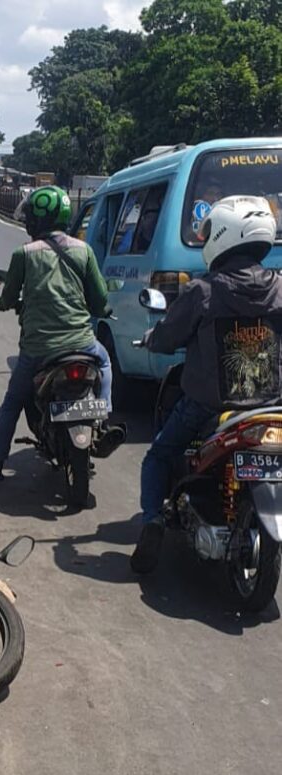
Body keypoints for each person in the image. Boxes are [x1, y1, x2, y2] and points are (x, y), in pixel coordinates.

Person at [132, 195, 282, 573]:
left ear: (224, 236)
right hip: (270, 405)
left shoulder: (205, 291)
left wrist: (153, 337)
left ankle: (151, 519)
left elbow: (167, 338)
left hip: (209, 406)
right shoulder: (279, 287)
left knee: (158, 456)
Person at [0, 186, 124, 482]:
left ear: (36, 220)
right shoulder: (83, 250)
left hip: (38, 350)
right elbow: (98, 299)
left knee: (13, 402)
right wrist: (104, 310)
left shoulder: (24, 254)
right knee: (105, 361)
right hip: (82, 343)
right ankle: (104, 414)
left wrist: (1, 304)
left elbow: (8, 298)